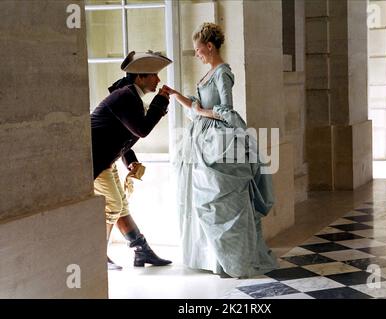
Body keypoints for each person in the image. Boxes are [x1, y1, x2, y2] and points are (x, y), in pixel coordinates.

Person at [163, 23, 279, 278]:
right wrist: (175, 95)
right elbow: (197, 104)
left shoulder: (222, 72)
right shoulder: (209, 73)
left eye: (198, 49)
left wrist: (201, 112)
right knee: (200, 198)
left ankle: (231, 259)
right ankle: (211, 257)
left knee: (218, 197)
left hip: (218, 138)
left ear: (210, 46)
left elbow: (227, 108)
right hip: (201, 137)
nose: (196, 54)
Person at [91, 50, 173, 270]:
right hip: (95, 161)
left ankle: (141, 251)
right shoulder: (126, 95)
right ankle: (96, 256)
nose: (158, 80)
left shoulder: (130, 95)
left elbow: (124, 133)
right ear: (140, 77)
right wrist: (161, 101)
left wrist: (130, 161)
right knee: (114, 206)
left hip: (108, 159)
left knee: (122, 206)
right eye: (154, 75)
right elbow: (142, 130)